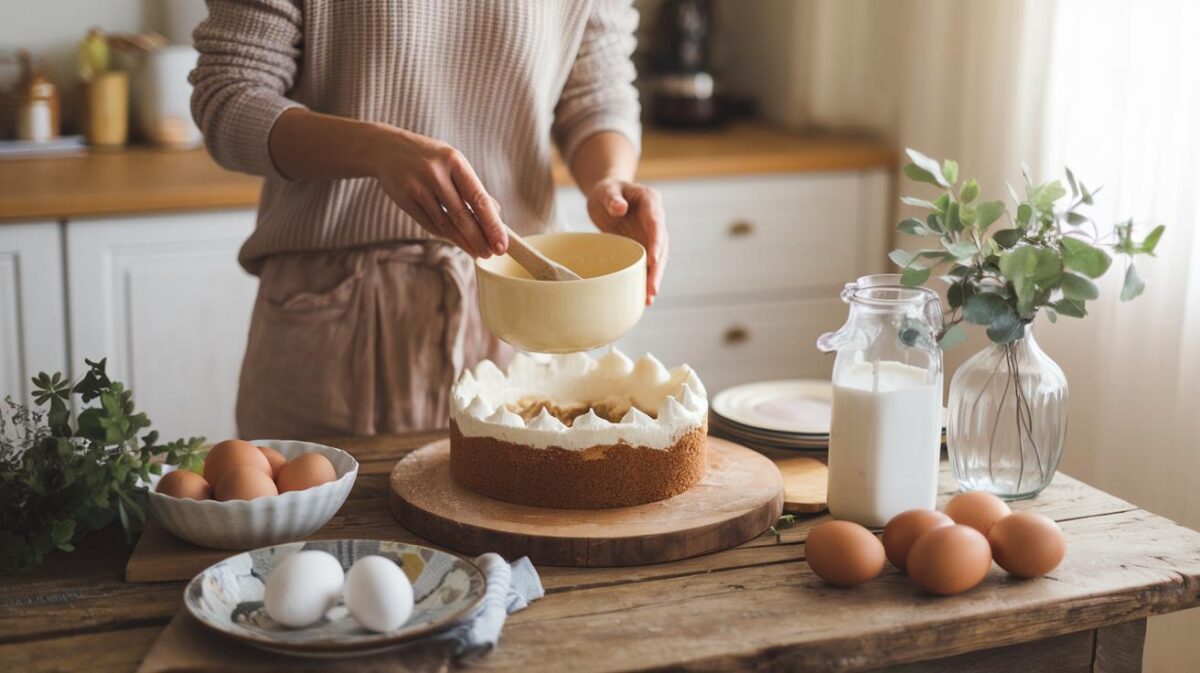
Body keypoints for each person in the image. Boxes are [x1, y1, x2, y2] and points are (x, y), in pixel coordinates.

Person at [190, 0, 667, 439]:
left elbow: (597, 92)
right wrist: (376, 149)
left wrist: (610, 181)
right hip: (334, 325)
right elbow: (229, 98)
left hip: (515, 313)